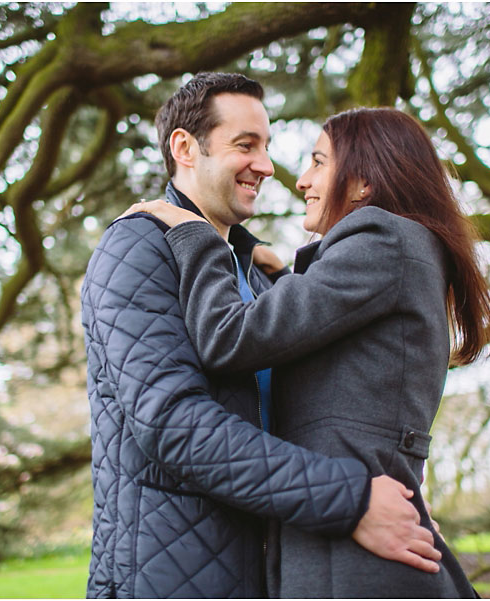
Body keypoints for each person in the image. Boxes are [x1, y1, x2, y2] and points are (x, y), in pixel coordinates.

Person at [81, 74, 441, 598]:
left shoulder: (249, 276)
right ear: (184, 148)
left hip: (275, 574)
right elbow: (175, 424)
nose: (269, 167)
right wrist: (351, 499)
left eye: (267, 147)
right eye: (245, 145)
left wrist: (399, 505)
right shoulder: (137, 248)